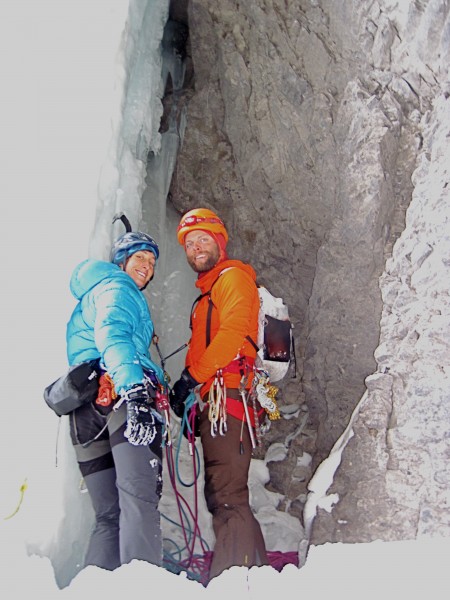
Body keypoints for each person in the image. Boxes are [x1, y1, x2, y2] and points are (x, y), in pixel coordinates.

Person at [169, 207, 269, 580]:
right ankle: (254, 575)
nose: (196, 247)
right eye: (190, 243)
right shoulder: (213, 288)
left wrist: (190, 377)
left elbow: (230, 336)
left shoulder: (231, 279)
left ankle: (234, 582)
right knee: (227, 495)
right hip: (217, 400)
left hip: (227, 399)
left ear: (220, 242)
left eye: (203, 239)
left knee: (226, 496)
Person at [66, 220, 166, 571]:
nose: (147, 266)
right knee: (139, 503)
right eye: (139, 257)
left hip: (85, 413)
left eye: (152, 263)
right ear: (120, 261)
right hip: (122, 401)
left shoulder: (93, 292)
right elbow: (113, 335)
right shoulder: (119, 287)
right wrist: (137, 392)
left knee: (109, 516)